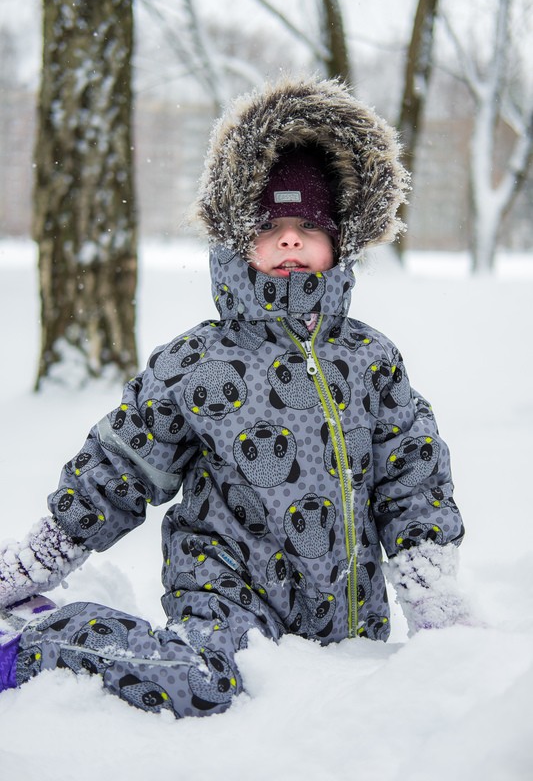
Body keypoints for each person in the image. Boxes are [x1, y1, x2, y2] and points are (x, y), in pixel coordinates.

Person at [0, 76, 470, 717]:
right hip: (225, 595)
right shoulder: (199, 361)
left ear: (341, 241)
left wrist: (438, 608)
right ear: (238, 240)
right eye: (270, 225)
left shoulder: (371, 359)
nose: (289, 240)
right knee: (205, 689)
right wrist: (36, 559)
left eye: (309, 223)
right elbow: (117, 471)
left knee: (358, 712)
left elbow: (412, 483)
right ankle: (37, 641)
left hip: (348, 627)